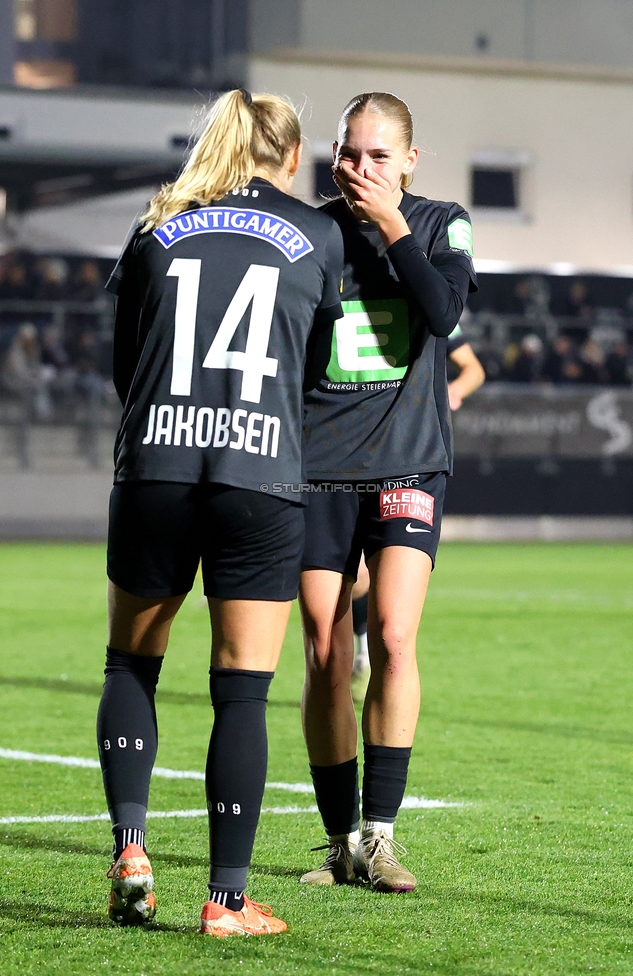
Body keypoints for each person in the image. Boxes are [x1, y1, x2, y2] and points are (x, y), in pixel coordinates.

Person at [95, 88, 343, 937]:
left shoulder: (156, 226)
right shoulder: (317, 232)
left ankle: (131, 850)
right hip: (258, 474)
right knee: (242, 692)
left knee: (130, 666)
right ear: (291, 154)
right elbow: (314, 373)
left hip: (155, 469)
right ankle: (227, 901)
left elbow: (123, 365)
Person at [299, 92, 477, 893]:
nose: (359, 169)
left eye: (377, 155)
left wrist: (394, 225)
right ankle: (339, 842)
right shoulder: (308, 232)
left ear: (410, 159)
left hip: (408, 459)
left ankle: (380, 836)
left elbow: (442, 313)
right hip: (315, 464)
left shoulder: (442, 222)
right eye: (348, 153)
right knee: (328, 654)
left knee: (396, 641)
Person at [350, 321, 485, 702]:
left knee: (381, 599)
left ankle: (361, 650)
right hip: (348, 444)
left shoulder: (430, 300)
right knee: (350, 579)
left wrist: (453, 391)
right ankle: (356, 645)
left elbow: (473, 368)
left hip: (408, 449)